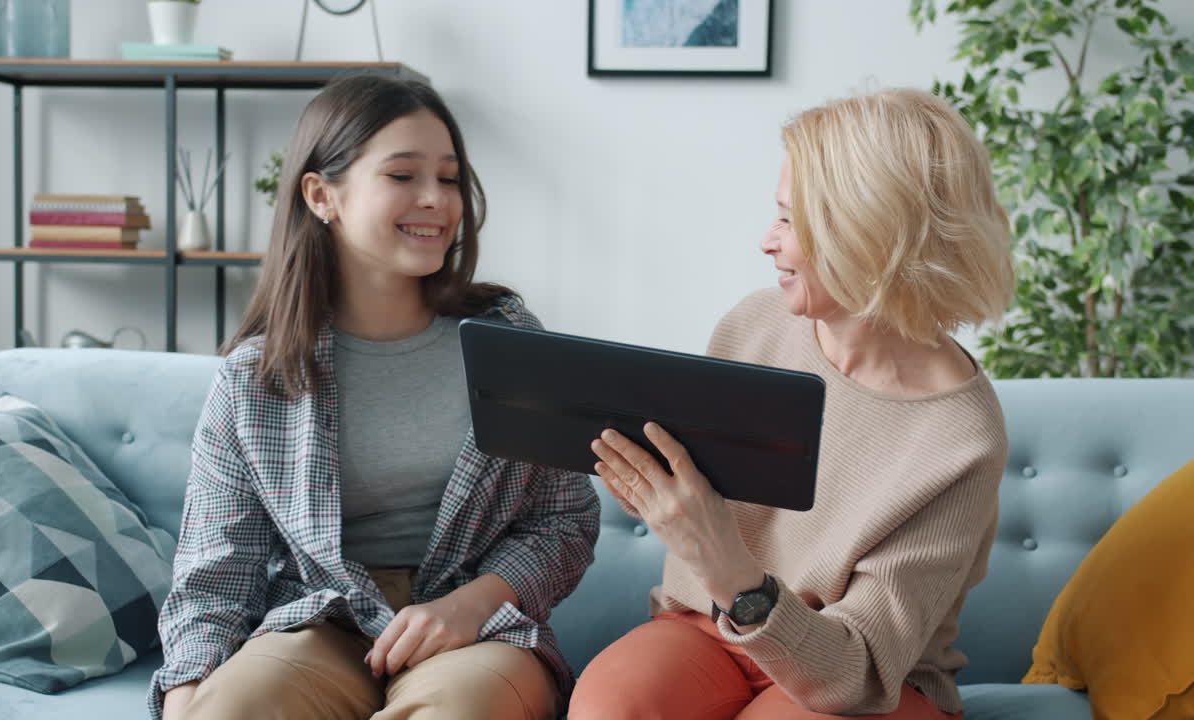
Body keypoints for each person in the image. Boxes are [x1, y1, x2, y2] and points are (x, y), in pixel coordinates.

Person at [148, 74, 600, 720]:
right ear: (321, 195)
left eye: (449, 179)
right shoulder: (254, 379)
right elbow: (214, 571)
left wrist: (470, 605)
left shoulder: (514, 342)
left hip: (479, 627)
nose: (436, 199)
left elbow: (564, 522)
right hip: (319, 620)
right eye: (403, 175)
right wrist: (187, 697)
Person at [569, 88, 1015, 720]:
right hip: (711, 630)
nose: (766, 241)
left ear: (870, 233)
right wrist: (656, 491)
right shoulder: (753, 327)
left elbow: (856, 675)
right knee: (610, 706)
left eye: (788, 219)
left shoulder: (960, 437)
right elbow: (701, 505)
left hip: (862, 679)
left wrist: (724, 563)